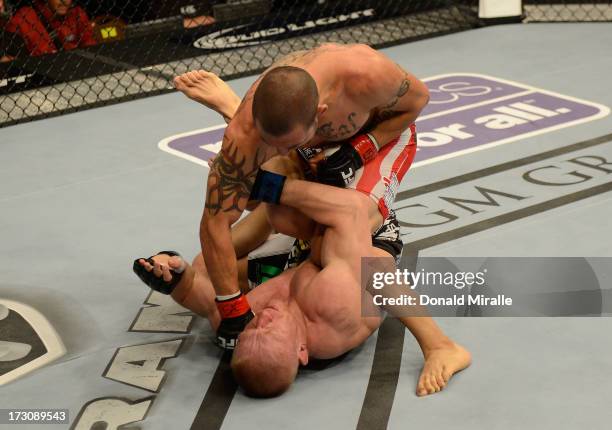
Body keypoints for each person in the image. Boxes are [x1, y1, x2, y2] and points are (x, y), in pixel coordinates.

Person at [133, 154, 471, 397]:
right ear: (301, 351)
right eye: (271, 328)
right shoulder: (333, 304)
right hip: (364, 233)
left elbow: (204, 296)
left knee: (208, 263)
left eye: (254, 327)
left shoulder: (247, 330)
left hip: (302, 262)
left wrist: (173, 278)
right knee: (310, 203)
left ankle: (268, 168)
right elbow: (348, 212)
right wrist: (271, 186)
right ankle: (441, 345)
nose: (262, 317)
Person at [173, 44, 430, 349]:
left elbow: (417, 102)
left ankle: (437, 343)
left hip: (382, 136)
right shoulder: (245, 135)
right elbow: (214, 222)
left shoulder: (366, 74)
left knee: (348, 222)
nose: (280, 153)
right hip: (306, 148)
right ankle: (236, 113)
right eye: (273, 144)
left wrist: (360, 151)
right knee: (275, 204)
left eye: (286, 145)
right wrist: (233, 309)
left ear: (320, 114)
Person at [6, 0, 96, 56]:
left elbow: (90, 45)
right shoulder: (25, 18)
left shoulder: (77, 13)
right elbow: (10, 59)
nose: (64, 1)